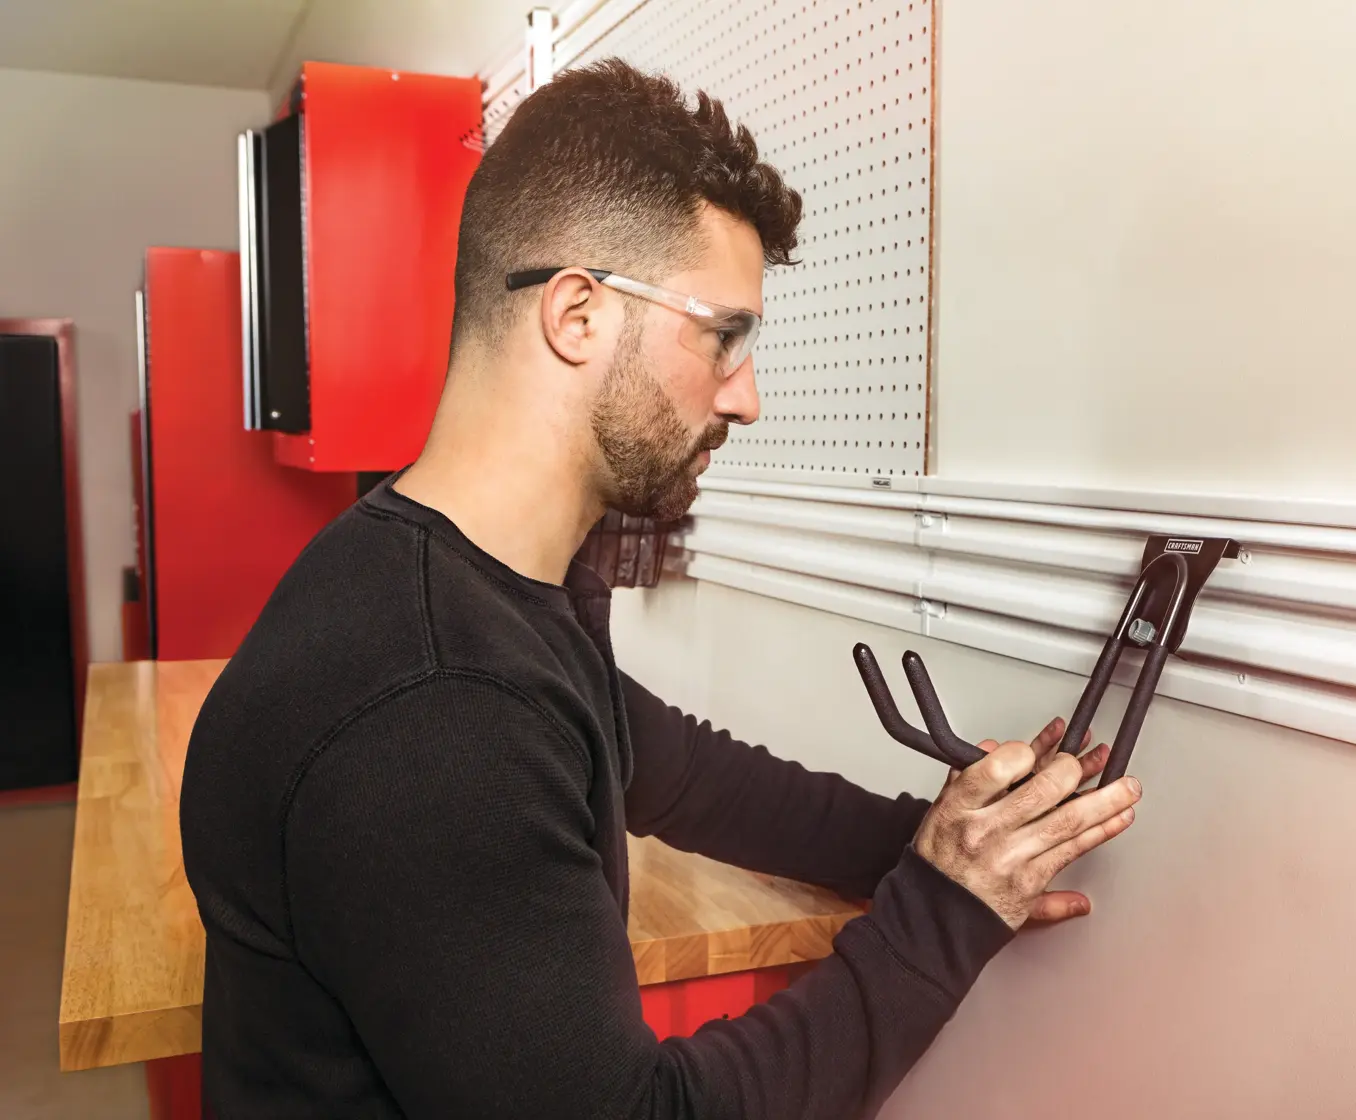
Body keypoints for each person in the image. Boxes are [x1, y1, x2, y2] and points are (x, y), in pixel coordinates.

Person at [180, 58, 1143, 1119]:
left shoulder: (463, 590)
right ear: (579, 315)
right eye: (722, 335)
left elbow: (682, 771)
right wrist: (944, 913)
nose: (748, 397)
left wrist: (943, 840)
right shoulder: (435, 709)